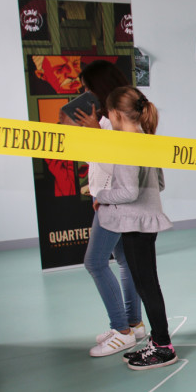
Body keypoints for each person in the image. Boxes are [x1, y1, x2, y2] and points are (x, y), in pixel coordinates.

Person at [94, 86, 176, 369]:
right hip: (146, 221)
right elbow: (159, 183)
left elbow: (129, 192)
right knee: (147, 284)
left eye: (108, 114)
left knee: (146, 286)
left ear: (117, 114)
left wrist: (101, 196)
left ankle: (163, 347)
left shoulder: (128, 145)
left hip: (135, 223)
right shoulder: (146, 139)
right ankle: (158, 340)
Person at [70, 61, 145, 357]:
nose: (84, 94)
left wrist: (96, 135)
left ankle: (122, 331)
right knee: (124, 260)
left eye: (88, 88)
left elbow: (119, 167)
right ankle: (134, 324)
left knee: (95, 262)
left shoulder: (117, 121)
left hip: (114, 201)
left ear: (99, 88)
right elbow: (97, 161)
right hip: (106, 198)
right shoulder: (104, 119)